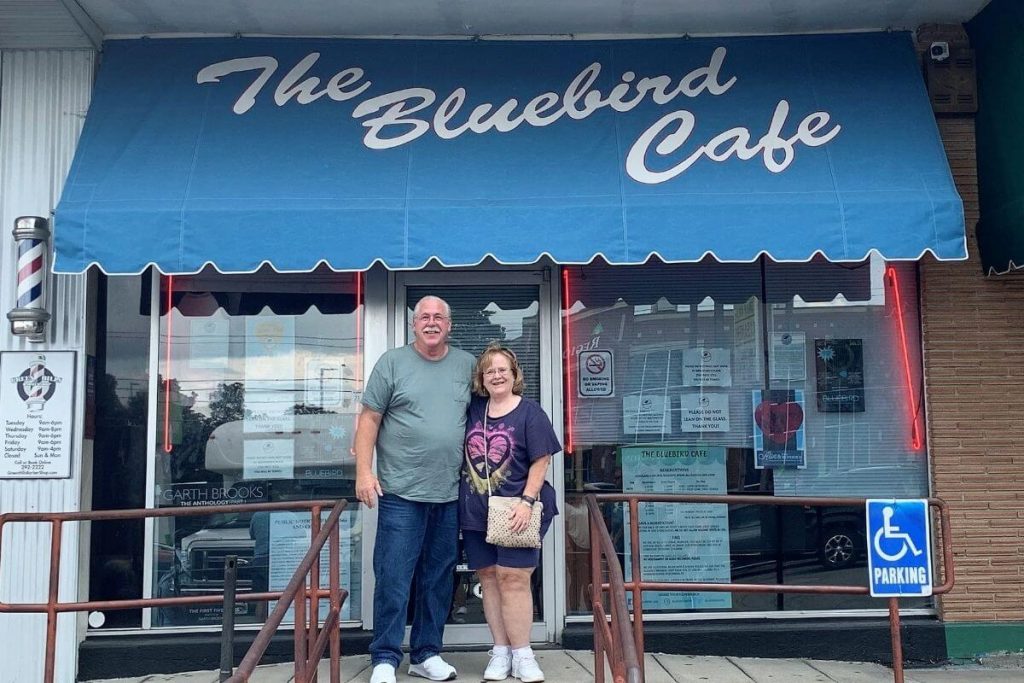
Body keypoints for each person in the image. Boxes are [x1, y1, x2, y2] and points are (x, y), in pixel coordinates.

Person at [354, 295, 476, 683]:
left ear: (450, 325)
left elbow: (487, 416)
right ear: (413, 324)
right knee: (393, 576)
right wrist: (362, 472)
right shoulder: (392, 363)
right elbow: (369, 419)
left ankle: (426, 653)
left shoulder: (467, 365)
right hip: (400, 494)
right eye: (424, 316)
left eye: (440, 316)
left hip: (450, 493)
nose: (431, 322)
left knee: (438, 578)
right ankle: (385, 657)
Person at [459, 343, 561, 683]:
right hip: (477, 511)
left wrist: (528, 500)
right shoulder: (474, 410)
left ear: (515, 374)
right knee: (488, 578)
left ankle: (523, 654)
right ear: (481, 379)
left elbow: (542, 459)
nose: (497, 375)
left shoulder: (530, 412)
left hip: (518, 509)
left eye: (503, 369)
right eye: (490, 371)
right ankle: (500, 652)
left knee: (514, 579)